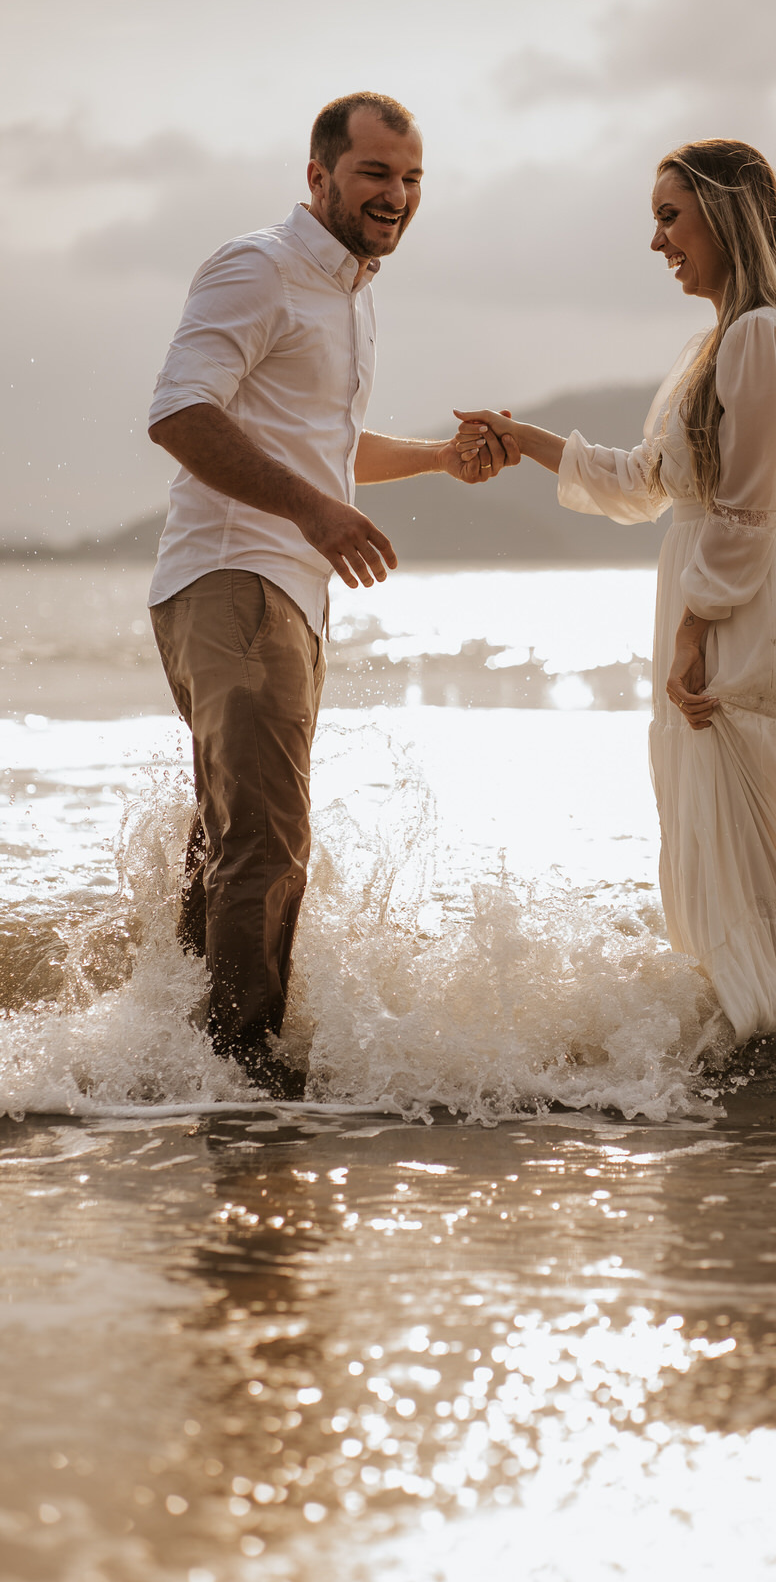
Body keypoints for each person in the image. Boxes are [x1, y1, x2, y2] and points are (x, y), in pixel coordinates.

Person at [457, 140, 776, 1047]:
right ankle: (766, 1036)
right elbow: (649, 483)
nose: (656, 241)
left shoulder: (758, 334)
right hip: (719, 592)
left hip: (743, 604)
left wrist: (693, 626)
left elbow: (748, 505)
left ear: (723, 217)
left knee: (753, 810)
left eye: (669, 216)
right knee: (725, 814)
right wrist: (520, 438)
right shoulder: (716, 344)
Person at [148, 92, 516, 1099]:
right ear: (317, 177)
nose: (395, 196)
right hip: (236, 575)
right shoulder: (257, 267)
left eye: (409, 180)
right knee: (267, 840)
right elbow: (180, 412)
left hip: (278, 589)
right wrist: (315, 514)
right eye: (373, 175)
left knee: (229, 836)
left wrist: (441, 457)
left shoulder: (348, 292)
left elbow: (326, 445)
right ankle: (249, 1083)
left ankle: (178, 1066)